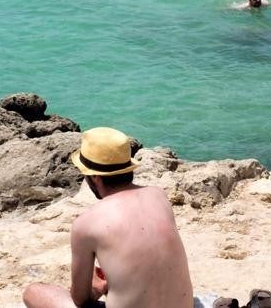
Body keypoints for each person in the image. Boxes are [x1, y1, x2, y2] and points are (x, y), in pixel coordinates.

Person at [22, 128, 193, 308]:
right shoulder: (159, 196)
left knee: (34, 292)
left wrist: (99, 286)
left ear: (95, 177)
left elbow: (80, 299)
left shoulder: (86, 223)